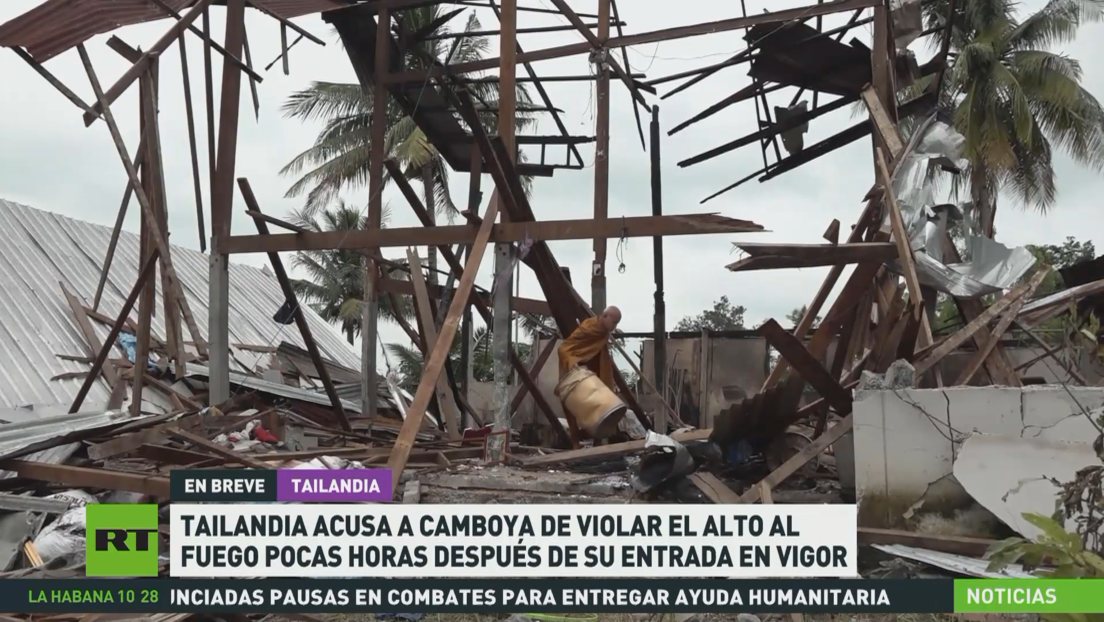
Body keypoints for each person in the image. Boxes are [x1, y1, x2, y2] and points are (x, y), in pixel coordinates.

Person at [557, 306, 622, 389]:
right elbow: (565, 347)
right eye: (614, 322)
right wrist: (572, 361)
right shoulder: (590, 327)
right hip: (579, 370)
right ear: (605, 316)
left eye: (617, 323)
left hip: (593, 372)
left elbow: (597, 351)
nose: (615, 326)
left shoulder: (603, 332)